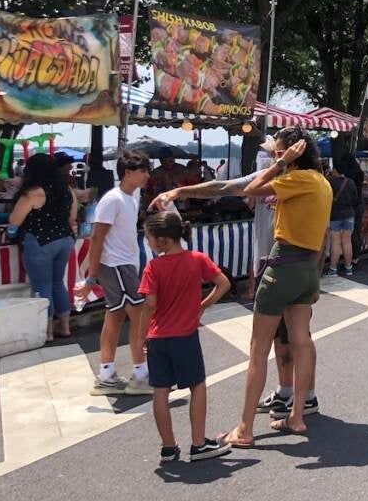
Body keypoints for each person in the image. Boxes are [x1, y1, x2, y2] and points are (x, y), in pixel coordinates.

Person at [150, 145, 316, 424]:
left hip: (291, 264)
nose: (270, 155)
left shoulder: (306, 181)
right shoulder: (267, 176)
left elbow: (319, 229)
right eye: (269, 152)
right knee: (281, 337)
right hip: (270, 263)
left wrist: (315, 270)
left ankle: (305, 398)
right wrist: (181, 192)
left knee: (295, 339)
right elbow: (223, 186)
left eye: (275, 151)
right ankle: (286, 391)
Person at [219, 127, 332, 445]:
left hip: (283, 266)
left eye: (277, 151)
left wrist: (282, 164)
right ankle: (297, 415)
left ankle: (244, 429)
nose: (273, 156)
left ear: (293, 152)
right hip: (308, 268)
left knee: (258, 349)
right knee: (302, 341)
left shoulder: (296, 177)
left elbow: (252, 187)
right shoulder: (321, 182)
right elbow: (322, 234)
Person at [138, 211, 232, 463]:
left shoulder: (153, 267)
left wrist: (140, 337)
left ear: (161, 240)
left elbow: (149, 304)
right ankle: (199, 443)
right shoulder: (197, 259)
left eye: (148, 238)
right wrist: (203, 304)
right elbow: (223, 283)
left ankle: (168, 447)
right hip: (185, 335)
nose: (147, 242)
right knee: (197, 385)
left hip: (157, 336)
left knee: (160, 390)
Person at [75, 150, 153, 396]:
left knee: (115, 317)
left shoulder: (132, 195)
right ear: (127, 173)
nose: (147, 176)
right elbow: (96, 237)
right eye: (143, 171)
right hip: (116, 265)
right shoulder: (113, 199)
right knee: (138, 316)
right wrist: (91, 277)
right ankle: (140, 374)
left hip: (125, 264)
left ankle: (107, 374)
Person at [9, 153, 77, 342]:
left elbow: (14, 220)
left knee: (42, 287)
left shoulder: (34, 192)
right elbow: (72, 219)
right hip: (65, 240)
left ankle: (46, 332)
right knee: (57, 283)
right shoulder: (67, 189)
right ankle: (65, 327)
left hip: (40, 242)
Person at [325, 164, 359, 276]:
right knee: (347, 241)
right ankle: (349, 268)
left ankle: (333, 269)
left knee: (336, 242)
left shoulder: (329, 181)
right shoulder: (350, 182)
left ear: (335, 170)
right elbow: (355, 199)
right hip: (349, 214)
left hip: (335, 215)